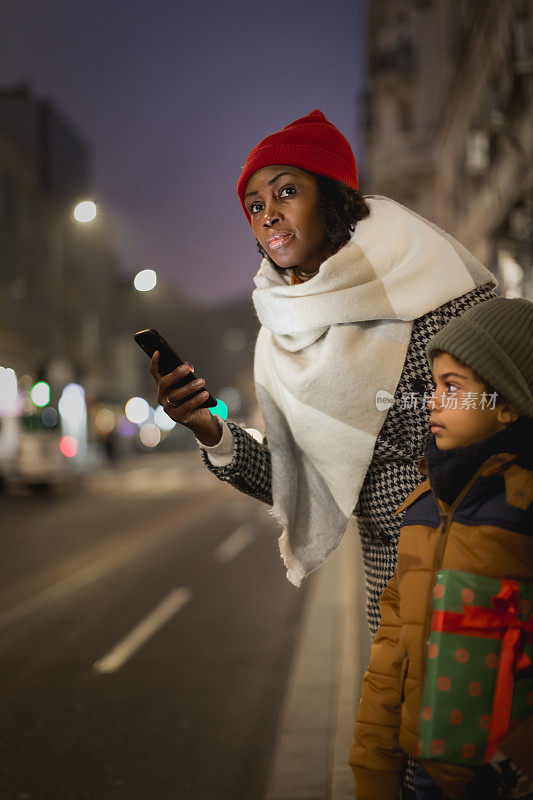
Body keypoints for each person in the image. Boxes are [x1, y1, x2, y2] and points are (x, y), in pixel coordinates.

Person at [149, 109, 496, 794]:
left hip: (475, 588)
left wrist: (387, 414)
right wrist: (210, 429)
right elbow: (294, 472)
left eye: (285, 191)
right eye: (253, 205)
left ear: (332, 196)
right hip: (389, 605)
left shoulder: (429, 285)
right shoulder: (283, 336)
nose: (268, 215)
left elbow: (496, 411)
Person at [350, 296, 533, 800]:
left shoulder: (524, 506)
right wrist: (372, 770)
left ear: (509, 402)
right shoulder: (423, 509)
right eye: (434, 385)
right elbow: (391, 655)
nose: (433, 401)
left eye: (453, 387)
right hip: (425, 779)